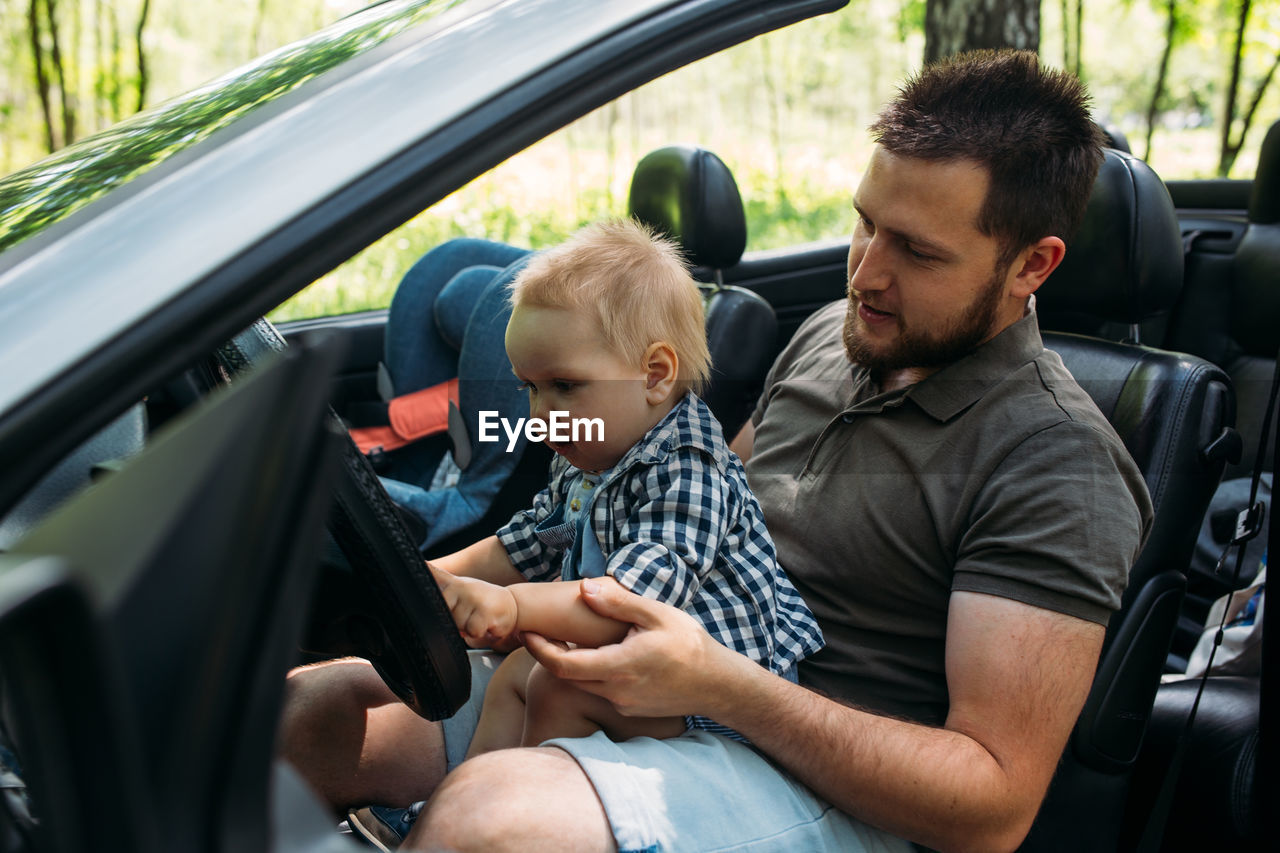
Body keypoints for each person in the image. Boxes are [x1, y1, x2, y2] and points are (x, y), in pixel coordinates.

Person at [280, 49, 1153, 852]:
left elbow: (992, 805)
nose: (865, 274)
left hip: (828, 790)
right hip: (672, 692)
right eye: (866, 223)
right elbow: (695, 504)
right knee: (301, 712)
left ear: (1033, 265)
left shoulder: (1059, 461)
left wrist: (721, 684)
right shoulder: (831, 337)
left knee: (489, 817)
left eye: (917, 251)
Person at [426, 218, 823, 759]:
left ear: (655, 375)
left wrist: (513, 608)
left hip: (723, 709)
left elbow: (628, 605)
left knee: (556, 684)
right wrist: (434, 576)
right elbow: (527, 543)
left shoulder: (691, 472)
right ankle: (461, 797)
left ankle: (517, 802)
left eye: (564, 386)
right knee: (520, 670)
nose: (540, 413)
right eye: (529, 388)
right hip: (645, 665)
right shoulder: (591, 448)